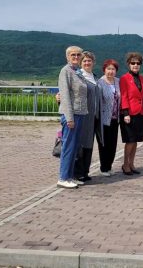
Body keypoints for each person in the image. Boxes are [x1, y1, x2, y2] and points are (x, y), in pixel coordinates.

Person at [57, 46, 87, 189]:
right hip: (72, 114)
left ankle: (70, 176)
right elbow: (65, 95)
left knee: (74, 147)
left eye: (78, 55)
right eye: (73, 55)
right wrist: (69, 118)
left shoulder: (77, 71)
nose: (76, 57)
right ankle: (63, 177)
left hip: (80, 113)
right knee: (68, 147)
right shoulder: (66, 71)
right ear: (67, 56)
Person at [74, 51, 102, 183]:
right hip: (83, 115)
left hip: (94, 117)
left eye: (89, 60)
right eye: (84, 61)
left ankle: (85, 171)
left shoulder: (95, 77)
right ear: (81, 63)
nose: (87, 63)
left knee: (89, 144)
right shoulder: (78, 76)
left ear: (93, 62)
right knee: (81, 144)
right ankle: (78, 173)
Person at [119, 52, 143, 175]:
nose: (135, 65)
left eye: (138, 63)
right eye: (133, 63)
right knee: (130, 141)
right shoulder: (124, 78)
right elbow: (124, 96)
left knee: (136, 141)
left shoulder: (142, 79)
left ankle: (131, 163)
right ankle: (125, 164)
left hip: (139, 113)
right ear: (128, 64)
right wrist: (125, 113)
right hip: (128, 114)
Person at [97, 59, 120, 177]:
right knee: (104, 144)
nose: (111, 71)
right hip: (104, 119)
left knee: (113, 144)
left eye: (113, 69)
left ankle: (109, 166)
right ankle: (104, 168)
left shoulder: (118, 81)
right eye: (108, 69)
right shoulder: (99, 83)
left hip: (116, 118)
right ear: (104, 70)